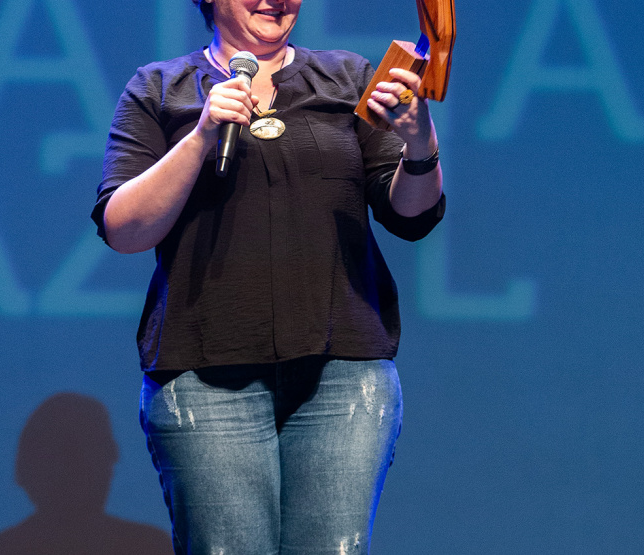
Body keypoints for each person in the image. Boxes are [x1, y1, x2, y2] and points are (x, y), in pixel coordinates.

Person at [90, 0, 446, 552]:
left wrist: (420, 146)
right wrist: (203, 133)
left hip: (343, 370)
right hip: (206, 373)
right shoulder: (160, 89)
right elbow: (124, 230)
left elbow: (411, 215)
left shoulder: (347, 77)